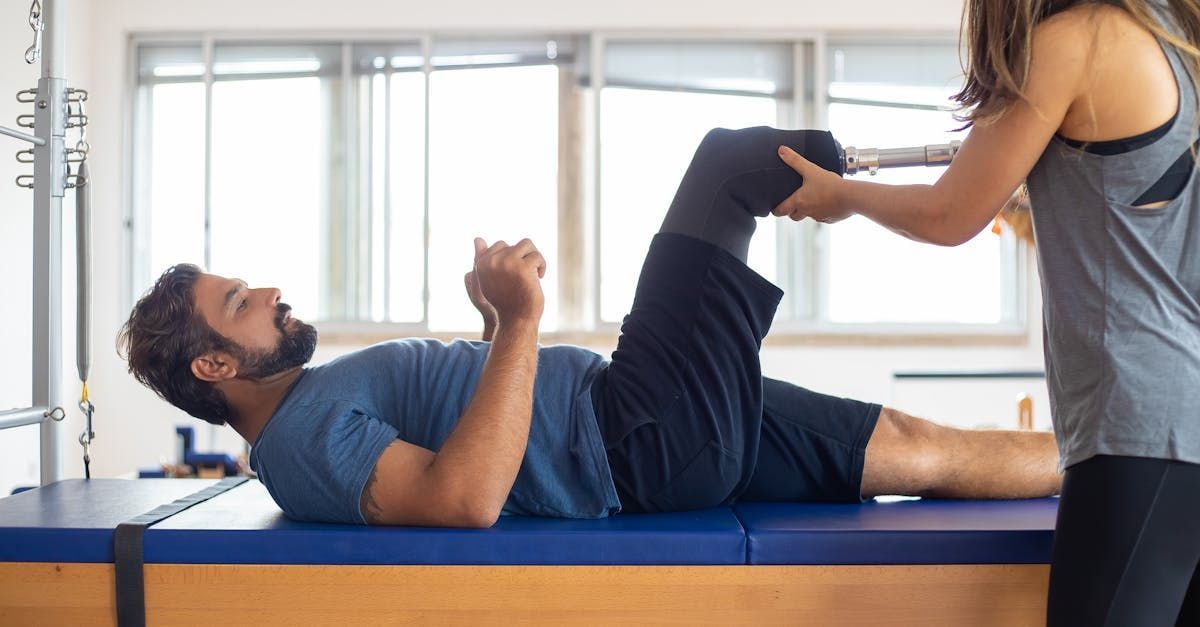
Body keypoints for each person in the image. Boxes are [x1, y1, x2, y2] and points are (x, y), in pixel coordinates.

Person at [118, 126, 1060, 536]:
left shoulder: (309, 410)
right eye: (242, 301)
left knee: (916, 447)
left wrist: (493, 329)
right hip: (636, 432)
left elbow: (477, 428)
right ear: (214, 361)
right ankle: (978, 170)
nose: (270, 290)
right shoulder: (301, 442)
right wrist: (524, 319)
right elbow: (465, 499)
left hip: (639, 429)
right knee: (731, 164)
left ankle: (1120, 458)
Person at [769, 1, 1200, 624]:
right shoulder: (1176, 38)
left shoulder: (1076, 42)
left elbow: (950, 216)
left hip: (1143, 428)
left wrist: (841, 195)